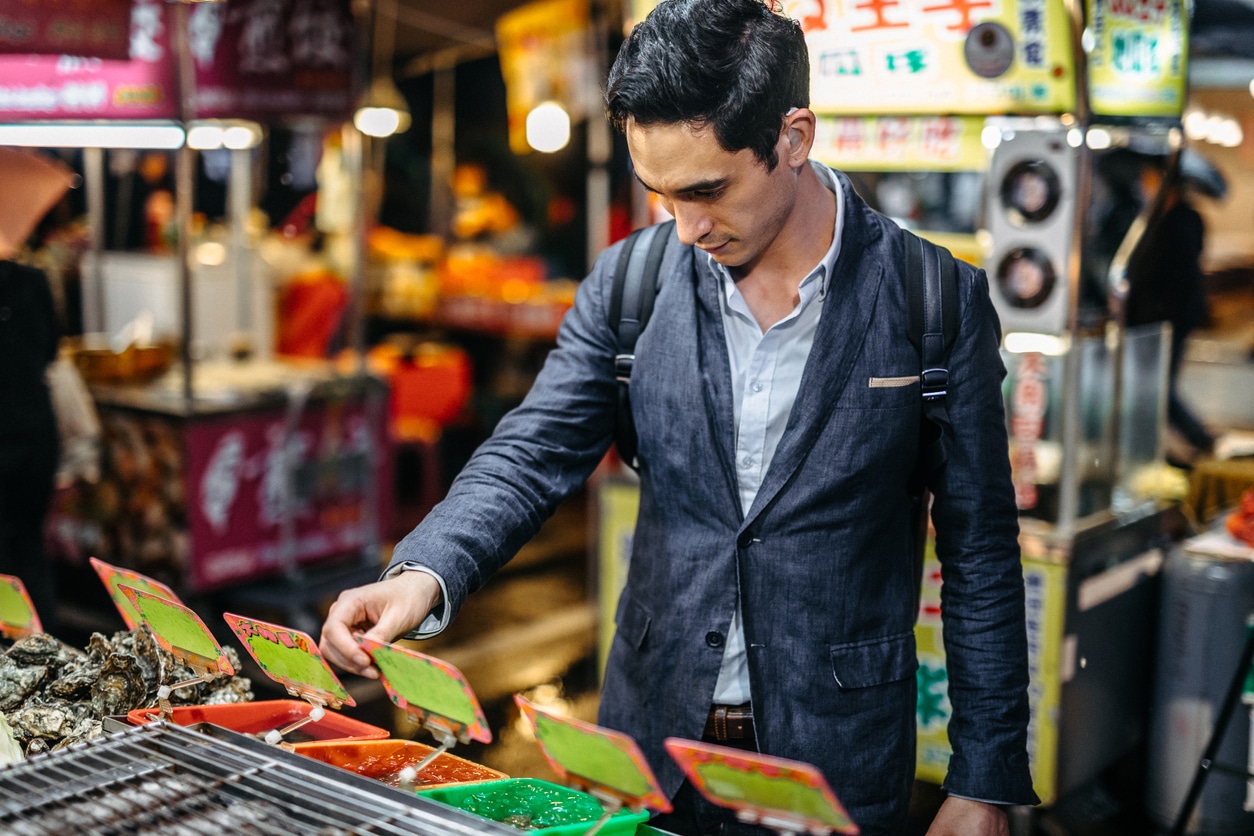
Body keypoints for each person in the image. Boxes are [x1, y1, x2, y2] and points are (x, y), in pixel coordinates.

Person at [320, 2, 1036, 833]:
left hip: (832, 758)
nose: (684, 226)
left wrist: (981, 782)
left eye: (707, 191)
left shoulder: (931, 299)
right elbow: (533, 447)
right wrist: (422, 573)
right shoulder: (631, 283)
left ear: (793, 138)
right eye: (658, 192)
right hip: (647, 748)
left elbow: (980, 546)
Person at [1124, 160, 1216, 460]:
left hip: (1165, 321)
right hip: (1152, 320)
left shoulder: (1182, 221)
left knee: (1158, 390)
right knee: (1153, 389)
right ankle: (1171, 445)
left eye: (1148, 179)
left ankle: (1199, 440)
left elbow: (1174, 275)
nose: (1143, 185)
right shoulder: (1155, 218)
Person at [0, 258, 61, 635]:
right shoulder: (31, 279)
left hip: (22, 435)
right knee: (28, 547)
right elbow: (51, 348)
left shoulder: (32, 278)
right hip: (37, 432)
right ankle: (44, 646)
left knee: (16, 549)